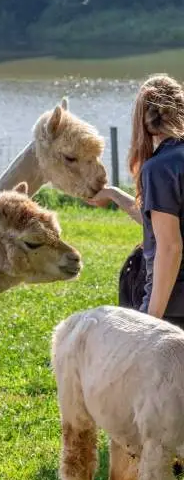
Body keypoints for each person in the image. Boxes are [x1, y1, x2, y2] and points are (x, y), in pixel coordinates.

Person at [88, 74, 184, 329]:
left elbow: (170, 246)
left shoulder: (161, 168)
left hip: (174, 308)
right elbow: (161, 220)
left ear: (142, 119)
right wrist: (113, 194)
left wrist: (151, 322)